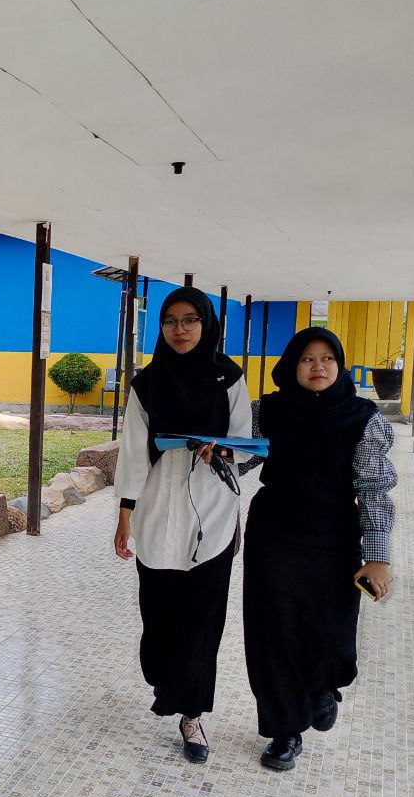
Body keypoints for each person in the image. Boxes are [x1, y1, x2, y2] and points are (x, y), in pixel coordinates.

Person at [241, 327, 396, 771]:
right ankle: (284, 729)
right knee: (274, 632)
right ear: (292, 364)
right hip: (273, 536)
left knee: (332, 632)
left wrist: (378, 557)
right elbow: (244, 457)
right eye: (307, 359)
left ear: (340, 365)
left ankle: (323, 686)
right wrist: (217, 451)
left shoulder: (363, 417)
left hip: (334, 538)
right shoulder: (266, 410)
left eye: (327, 358)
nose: (318, 367)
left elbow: (374, 489)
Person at [114, 286, 252, 763]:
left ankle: (192, 715)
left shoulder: (228, 377)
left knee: (202, 621)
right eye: (171, 321)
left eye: (190, 320)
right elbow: (133, 451)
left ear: (206, 323)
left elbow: (243, 441)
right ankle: (164, 680)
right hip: (157, 503)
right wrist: (124, 516)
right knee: (158, 618)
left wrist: (225, 451)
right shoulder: (146, 384)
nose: (180, 330)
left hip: (213, 509)